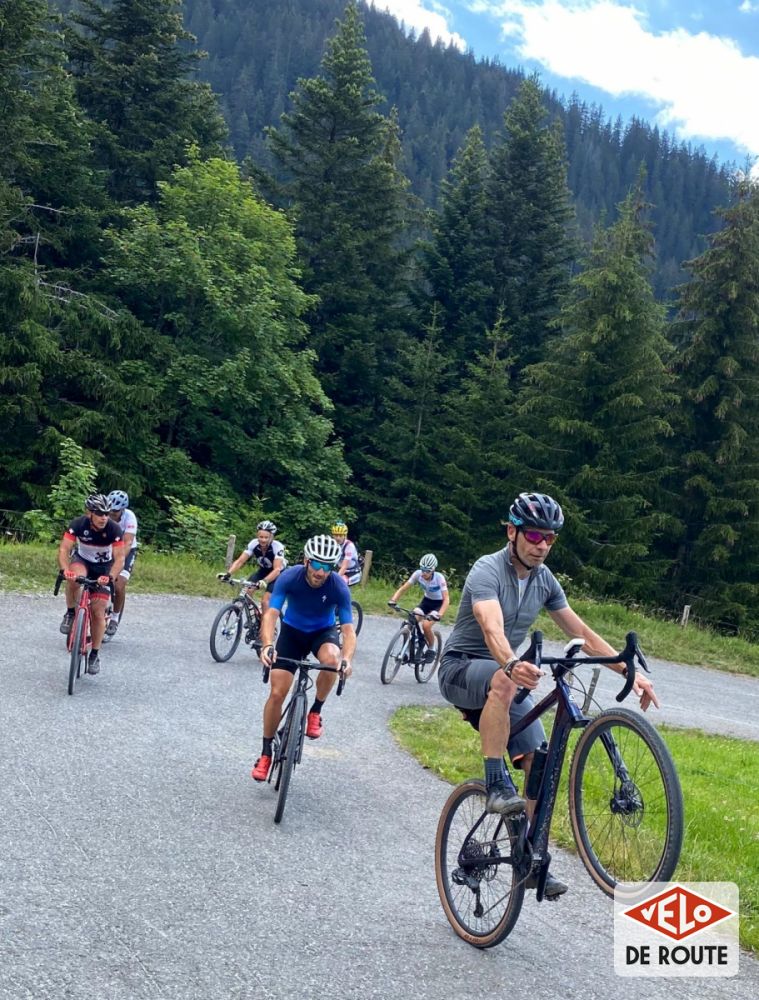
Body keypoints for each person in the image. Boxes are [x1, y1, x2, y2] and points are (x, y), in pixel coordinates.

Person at [437, 491, 659, 899]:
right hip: (462, 668)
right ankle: (494, 784)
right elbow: (491, 629)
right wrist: (509, 664)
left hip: (505, 674)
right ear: (512, 532)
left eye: (550, 538)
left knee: (539, 763)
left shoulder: (544, 580)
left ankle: (529, 857)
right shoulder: (487, 570)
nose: (542, 545)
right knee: (507, 681)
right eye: (535, 535)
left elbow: (580, 632)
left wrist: (630, 671)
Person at [252, 534, 356, 782]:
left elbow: (349, 630)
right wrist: (267, 644)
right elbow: (272, 613)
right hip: (292, 633)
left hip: (322, 632)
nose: (321, 572)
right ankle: (266, 753)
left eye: (328, 567)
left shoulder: (338, 586)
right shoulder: (290, 576)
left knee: (332, 659)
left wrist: (347, 659)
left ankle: (315, 711)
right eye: (318, 565)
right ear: (307, 561)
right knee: (277, 693)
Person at [58, 494, 126, 675]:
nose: (104, 517)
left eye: (106, 513)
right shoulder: (78, 524)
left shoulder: (114, 529)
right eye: (99, 513)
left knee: (98, 611)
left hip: (103, 568)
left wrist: (111, 576)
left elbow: (120, 558)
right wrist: (65, 569)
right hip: (82, 561)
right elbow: (65, 549)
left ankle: (94, 654)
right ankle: (71, 612)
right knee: (74, 577)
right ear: (90, 513)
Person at [388, 553, 450, 663]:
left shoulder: (439, 578)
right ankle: (407, 650)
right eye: (422, 569)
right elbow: (403, 588)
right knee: (411, 620)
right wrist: (393, 600)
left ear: (433, 570)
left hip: (438, 604)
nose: (424, 573)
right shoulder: (418, 574)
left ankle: (431, 648)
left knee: (426, 625)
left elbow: (446, 599)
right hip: (426, 602)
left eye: (427, 571)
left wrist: (439, 614)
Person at [222, 520, 286, 613]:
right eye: (261, 537)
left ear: (271, 537)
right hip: (263, 571)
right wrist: (228, 574)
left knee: (265, 602)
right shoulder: (254, 543)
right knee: (247, 591)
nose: (263, 540)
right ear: (257, 536)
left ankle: (265, 625)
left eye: (266, 537)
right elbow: (240, 561)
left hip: (278, 574)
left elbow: (277, 569)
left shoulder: (277, 547)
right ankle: (254, 616)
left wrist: (264, 581)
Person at [104, 490, 137, 638]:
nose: (112, 514)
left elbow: (128, 542)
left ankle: (115, 618)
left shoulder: (130, 518)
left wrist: (118, 561)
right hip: (108, 547)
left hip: (126, 549)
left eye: (115, 512)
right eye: (110, 510)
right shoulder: (104, 515)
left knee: (119, 584)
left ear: (122, 510)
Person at [330, 521, 362, 586]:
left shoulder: (349, 546)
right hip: (341, 571)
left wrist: (335, 579)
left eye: (340, 535)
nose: (338, 538)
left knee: (339, 584)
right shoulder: (332, 544)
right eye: (336, 535)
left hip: (353, 573)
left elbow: (344, 566)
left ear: (345, 536)